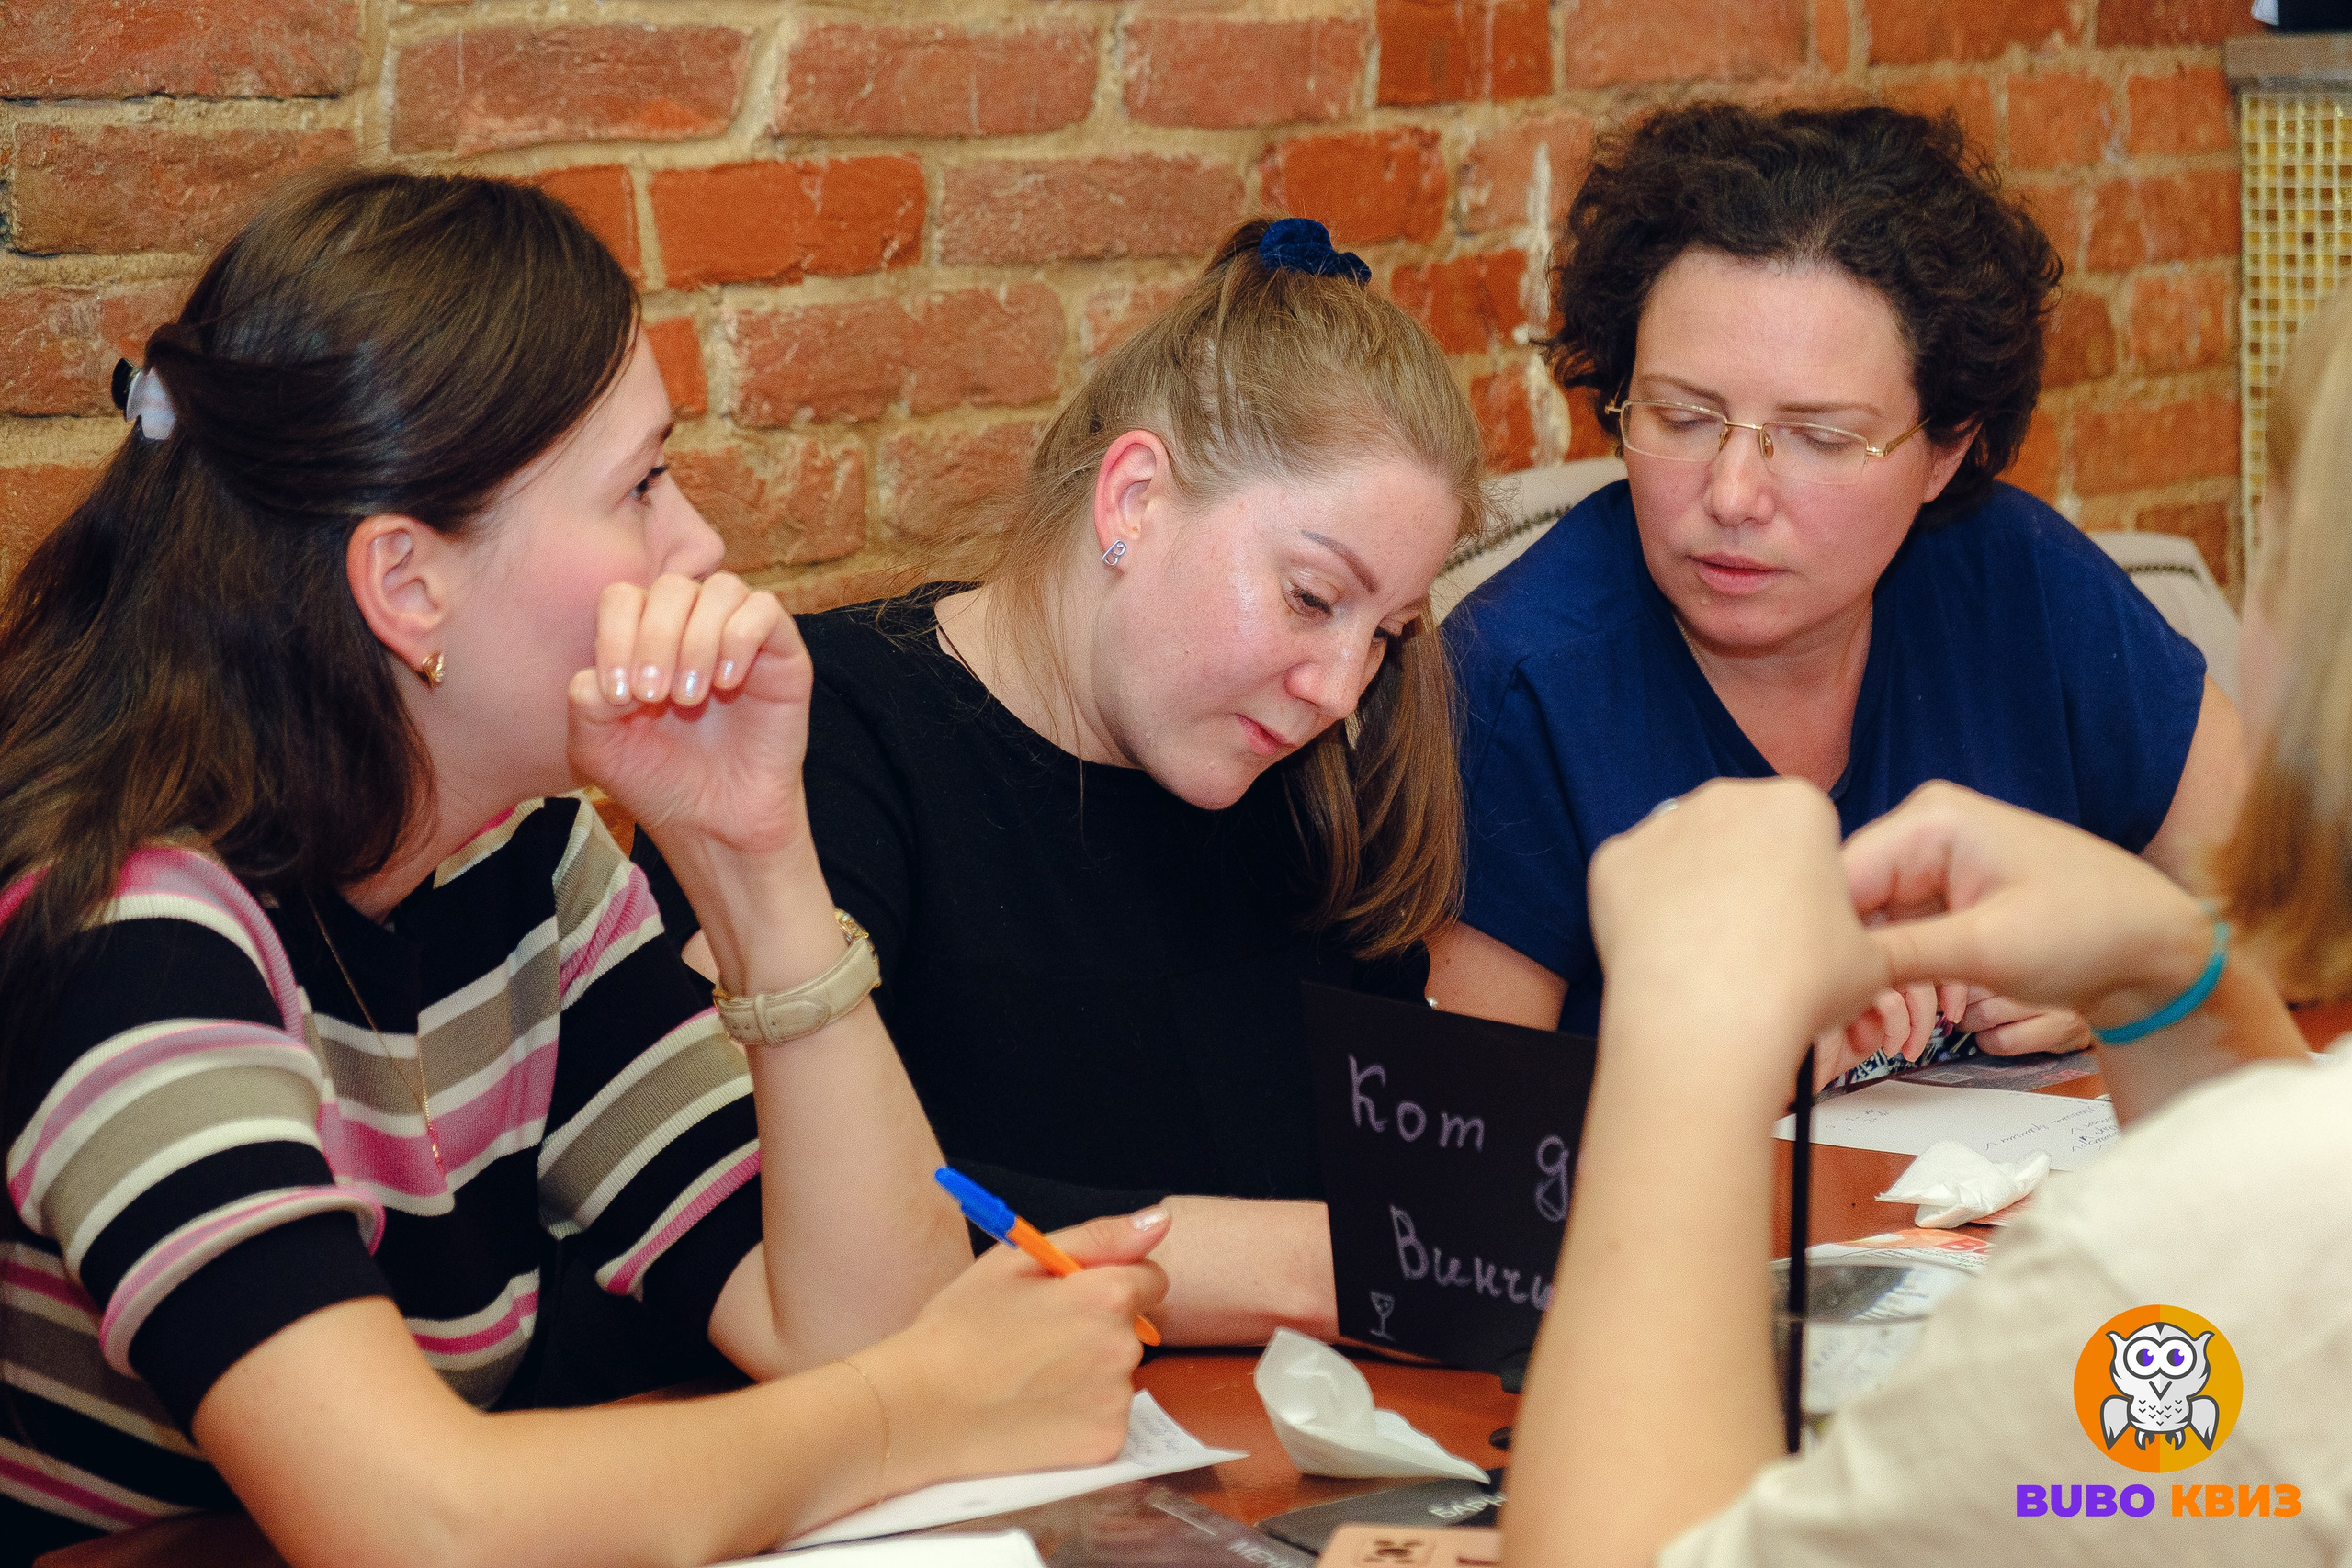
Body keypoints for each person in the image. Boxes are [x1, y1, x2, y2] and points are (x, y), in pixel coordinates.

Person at [0, 167, 1163, 1567]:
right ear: (408, 585)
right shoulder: (126, 920)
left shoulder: (524, 858)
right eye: (643, 485)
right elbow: (409, 1517)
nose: (699, 546)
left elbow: (862, 1320)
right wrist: (910, 1411)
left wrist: (757, 859)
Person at [1500, 281, 2352, 1565]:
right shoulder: (1525, 663)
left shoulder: (2132, 1276)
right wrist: (2173, 977)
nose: (1737, 492)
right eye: (1681, 416)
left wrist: (1690, 1043)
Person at [634, 218, 1498, 1346]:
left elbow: (1429, 1209)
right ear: (1133, 498)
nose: (1340, 688)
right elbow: (751, 1197)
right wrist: (1292, 1264)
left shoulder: (1312, 776)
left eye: (1388, 628)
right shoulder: (807, 733)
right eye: (1309, 596)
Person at [1430, 102, 2245, 1082]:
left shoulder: (2017, 583)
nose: (1731, 496)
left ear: (1944, 450)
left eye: (1819, 438)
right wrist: (1723, 1070)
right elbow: (1453, 1150)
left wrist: (2121, 973)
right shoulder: (1514, 682)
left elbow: (2290, 915)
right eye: (1683, 418)